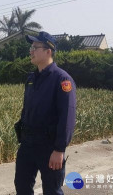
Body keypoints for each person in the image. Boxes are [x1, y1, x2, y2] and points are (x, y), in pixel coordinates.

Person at [14, 31, 76, 195]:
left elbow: (67, 117)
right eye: (31, 47)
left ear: (49, 51)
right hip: (27, 145)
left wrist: (59, 149)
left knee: (52, 190)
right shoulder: (31, 79)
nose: (31, 51)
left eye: (35, 47)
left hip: (49, 147)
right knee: (22, 186)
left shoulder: (62, 80)